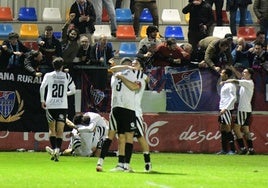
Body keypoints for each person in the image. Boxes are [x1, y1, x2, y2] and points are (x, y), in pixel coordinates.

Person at [96, 57, 141, 172]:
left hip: (115, 107)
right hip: (128, 107)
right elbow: (134, 87)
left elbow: (113, 69)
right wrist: (126, 71)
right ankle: (126, 165)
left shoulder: (114, 75)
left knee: (117, 137)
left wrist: (121, 72)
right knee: (129, 136)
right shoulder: (132, 74)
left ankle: (105, 163)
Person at [40, 57, 76, 162]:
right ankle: (57, 150)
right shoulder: (66, 76)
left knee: (52, 129)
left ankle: (54, 149)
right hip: (62, 105)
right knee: (60, 129)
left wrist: (42, 100)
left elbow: (42, 87)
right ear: (62, 66)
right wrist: (66, 93)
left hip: (50, 104)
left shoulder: (48, 75)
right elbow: (73, 90)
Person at [222, 68, 255, 155]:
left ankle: (243, 148)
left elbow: (234, 80)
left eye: (245, 72)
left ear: (249, 74)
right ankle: (251, 149)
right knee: (245, 129)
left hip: (243, 109)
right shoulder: (247, 82)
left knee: (236, 129)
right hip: (247, 109)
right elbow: (238, 77)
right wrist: (232, 68)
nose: (243, 74)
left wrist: (225, 81)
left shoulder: (248, 82)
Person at [217, 68, 237, 154]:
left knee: (228, 128)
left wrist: (225, 108)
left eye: (222, 73)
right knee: (222, 128)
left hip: (226, 109)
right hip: (222, 108)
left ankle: (233, 150)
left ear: (226, 75)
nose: (220, 74)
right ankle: (224, 149)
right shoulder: (225, 84)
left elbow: (233, 98)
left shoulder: (231, 85)